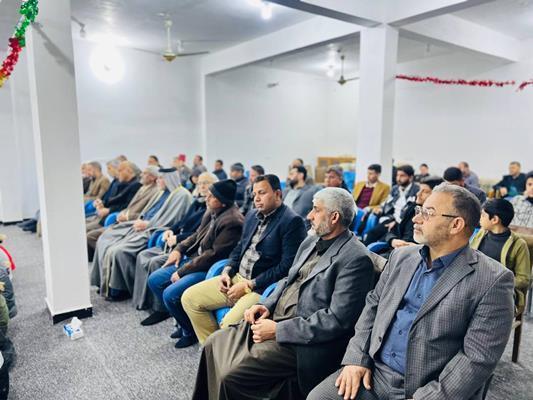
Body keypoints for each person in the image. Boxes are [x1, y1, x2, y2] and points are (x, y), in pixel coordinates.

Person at [309, 184, 515, 400]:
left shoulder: (492, 280)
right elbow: (373, 306)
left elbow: (477, 358)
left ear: (456, 224)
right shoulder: (402, 257)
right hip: (373, 374)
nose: (416, 219)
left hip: (425, 388)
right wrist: (356, 358)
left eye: (428, 213)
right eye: (419, 211)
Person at [191, 187, 375, 399]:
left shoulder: (356, 259)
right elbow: (288, 279)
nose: (309, 215)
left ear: (334, 217)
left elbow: (336, 321)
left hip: (302, 341)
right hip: (274, 318)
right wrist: (265, 305)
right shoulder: (311, 241)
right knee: (212, 343)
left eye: (316, 210)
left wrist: (279, 330)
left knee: (231, 375)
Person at [182, 174, 307, 345]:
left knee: (228, 325)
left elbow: (287, 267)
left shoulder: (292, 221)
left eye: (262, 193)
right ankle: (211, 349)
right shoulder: (252, 215)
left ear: (278, 194)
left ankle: (219, 350)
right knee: (189, 298)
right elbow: (239, 248)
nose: (256, 199)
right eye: (254, 194)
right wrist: (227, 271)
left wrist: (250, 284)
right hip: (237, 278)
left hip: (261, 287)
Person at [145, 180, 244, 348]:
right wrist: (179, 249)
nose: (206, 198)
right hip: (193, 260)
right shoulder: (212, 210)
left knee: (170, 294)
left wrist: (182, 271)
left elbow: (213, 255)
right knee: (155, 280)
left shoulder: (232, 221)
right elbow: (196, 235)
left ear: (222, 201)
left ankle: (189, 331)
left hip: (208, 268)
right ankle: (184, 322)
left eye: (211, 196)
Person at [90, 168, 192, 299]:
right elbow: (146, 212)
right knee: (105, 238)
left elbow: (173, 220)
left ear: (169, 179)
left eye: (161, 178)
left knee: (117, 251)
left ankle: (119, 289)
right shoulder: (161, 192)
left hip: (153, 230)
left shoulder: (182, 195)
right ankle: (104, 283)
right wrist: (140, 220)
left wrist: (147, 224)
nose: (158, 180)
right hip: (140, 225)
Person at [132, 172, 217, 315]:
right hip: (180, 244)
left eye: (206, 183)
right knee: (143, 255)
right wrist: (171, 230)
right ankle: (144, 302)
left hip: (189, 249)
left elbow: (199, 235)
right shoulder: (197, 202)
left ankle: (160, 310)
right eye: (199, 183)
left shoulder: (211, 209)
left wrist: (178, 239)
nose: (202, 186)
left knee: (154, 263)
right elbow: (182, 222)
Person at [86, 166, 161, 261]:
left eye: (145, 173)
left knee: (99, 239)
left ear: (152, 177)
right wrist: (122, 213)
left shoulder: (155, 191)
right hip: (123, 220)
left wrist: (127, 216)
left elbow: (146, 214)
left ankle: (106, 262)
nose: (141, 174)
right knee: (95, 237)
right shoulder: (143, 187)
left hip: (132, 223)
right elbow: (128, 205)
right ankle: (104, 262)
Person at [471, 199, 531, 313]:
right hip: (475, 288)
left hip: (502, 294)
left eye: (483, 215)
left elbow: (524, 279)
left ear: (495, 219)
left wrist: (497, 282)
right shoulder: (481, 234)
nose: (480, 218)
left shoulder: (519, 245)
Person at [374, 176, 444, 257]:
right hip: (396, 252)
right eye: (419, 190)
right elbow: (393, 230)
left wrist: (415, 248)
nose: (418, 194)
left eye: (425, 192)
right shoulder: (411, 209)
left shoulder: (437, 218)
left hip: (414, 257)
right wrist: (393, 240)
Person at [363, 165, 419, 246]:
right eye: (397, 175)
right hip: (391, 218)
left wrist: (396, 222)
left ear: (410, 177)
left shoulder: (416, 190)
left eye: (402, 176)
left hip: (404, 222)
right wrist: (380, 208)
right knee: (371, 233)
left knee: (382, 239)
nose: (398, 178)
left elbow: (411, 212)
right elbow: (386, 202)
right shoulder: (395, 189)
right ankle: (364, 252)